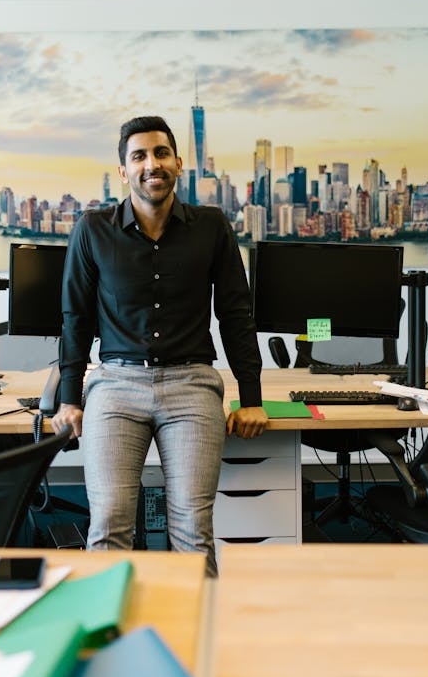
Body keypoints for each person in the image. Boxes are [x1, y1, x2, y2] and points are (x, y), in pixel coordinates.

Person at [50, 115, 267, 575]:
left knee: (192, 528)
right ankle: (105, 635)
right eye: (140, 156)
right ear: (124, 170)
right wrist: (69, 399)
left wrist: (252, 398)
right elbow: (76, 319)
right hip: (115, 384)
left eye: (161, 153)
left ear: (179, 163)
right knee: (108, 524)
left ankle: (199, 636)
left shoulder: (212, 226)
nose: (153, 163)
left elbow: (236, 314)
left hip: (192, 384)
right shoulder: (92, 229)